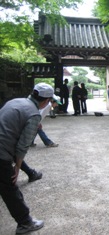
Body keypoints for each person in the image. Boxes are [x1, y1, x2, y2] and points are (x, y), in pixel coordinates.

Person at [0, 82, 53, 234]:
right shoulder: (34, 114)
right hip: (2, 153)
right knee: (9, 188)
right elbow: (23, 145)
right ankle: (25, 222)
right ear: (46, 101)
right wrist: (16, 168)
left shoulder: (14, 102)